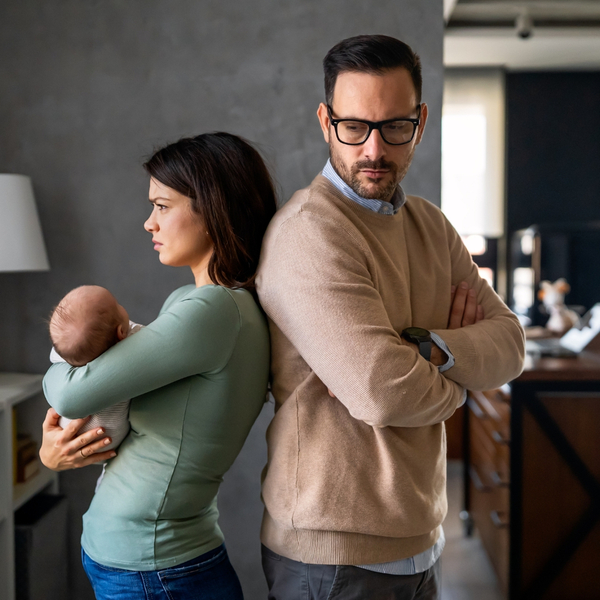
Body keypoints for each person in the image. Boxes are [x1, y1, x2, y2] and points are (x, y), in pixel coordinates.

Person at [256, 35, 525, 599]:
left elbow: (510, 345)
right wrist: (459, 386)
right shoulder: (310, 233)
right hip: (332, 558)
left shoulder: (431, 226)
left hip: (421, 541)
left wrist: (424, 351)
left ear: (420, 121)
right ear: (327, 122)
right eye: (354, 126)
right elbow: (381, 392)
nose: (373, 149)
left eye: (394, 126)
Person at [40, 132, 277, 600]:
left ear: (213, 210)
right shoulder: (195, 303)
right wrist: (53, 455)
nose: (149, 223)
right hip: (148, 561)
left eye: (162, 206)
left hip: (157, 567)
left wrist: (53, 364)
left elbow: (70, 393)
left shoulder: (212, 312)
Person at [49, 285, 143, 452]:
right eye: (117, 305)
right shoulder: (133, 346)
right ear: (121, 332)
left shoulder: (63, 352)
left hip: (68, 432)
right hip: (112, 437)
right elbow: (147, 335)